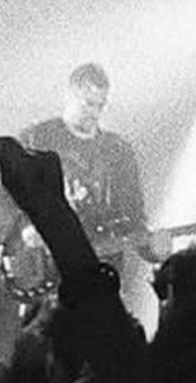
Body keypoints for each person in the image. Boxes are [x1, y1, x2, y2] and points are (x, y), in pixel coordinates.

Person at [19, 61, 146, 252]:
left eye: (100, 105)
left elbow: (134, 216)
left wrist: (152, 247)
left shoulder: (118, 151)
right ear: (68, 96)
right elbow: (10, 195)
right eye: (87, 104)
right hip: (48, 266)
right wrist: (26, 228)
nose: (94, 113)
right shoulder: (36, 140)